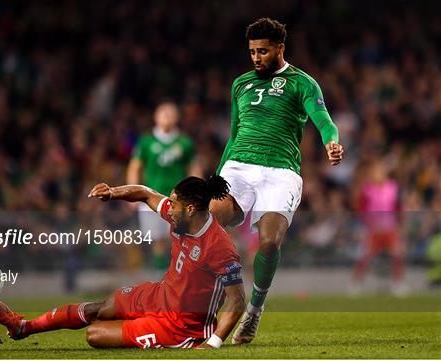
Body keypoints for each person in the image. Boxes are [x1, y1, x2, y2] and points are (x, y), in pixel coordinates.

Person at [208, 18, 344, 344]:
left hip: (280, 171)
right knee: (209, 222)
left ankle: (254, 309)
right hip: (238, 167)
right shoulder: (239, 84)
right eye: (252, 51)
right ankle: (213, 299)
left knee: (269, 242)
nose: (256, 57)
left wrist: (331, 141)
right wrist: (217, 173)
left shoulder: (302, 83)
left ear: (280, 48)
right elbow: (233, 134)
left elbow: (323, 120)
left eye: (263, 51)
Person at [0, 175, 245, 349]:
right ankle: (23, 327)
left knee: (95, 334)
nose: (169, 209)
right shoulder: (178, 215)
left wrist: (212, 345)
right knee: (99, 308)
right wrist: (113, 192)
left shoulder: (220, 247)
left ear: (190, 209)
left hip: (181, 327)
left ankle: (142, 330)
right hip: (159, 296)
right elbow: (145, 193)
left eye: (175, 205)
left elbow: (237, 300)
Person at [127, 101, 201, 270]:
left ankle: (176, 277)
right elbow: (135, 167)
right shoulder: (146, 142)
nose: (167, 116)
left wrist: (198, 194)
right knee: (157, 240)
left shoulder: (184, 142)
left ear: (177, 118)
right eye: (163, 113)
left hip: (178, 200)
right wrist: (132, 195)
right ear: (156, 117)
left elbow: (194, 168)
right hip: (151, 198)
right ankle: (161, 276)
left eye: (170, 113)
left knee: (178, 239)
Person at [351, 160, 406, 296]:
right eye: (375, 171)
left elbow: (398, 207)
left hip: (390, 227)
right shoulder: (367, 189)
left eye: (379, 170)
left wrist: (401, 224)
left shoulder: (393, 187)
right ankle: (356, 283)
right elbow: (361, 208)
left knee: (397, 255)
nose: (377, 174)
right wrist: (364, 225)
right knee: (365, 256)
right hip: (373, 228)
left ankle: (397, 284)